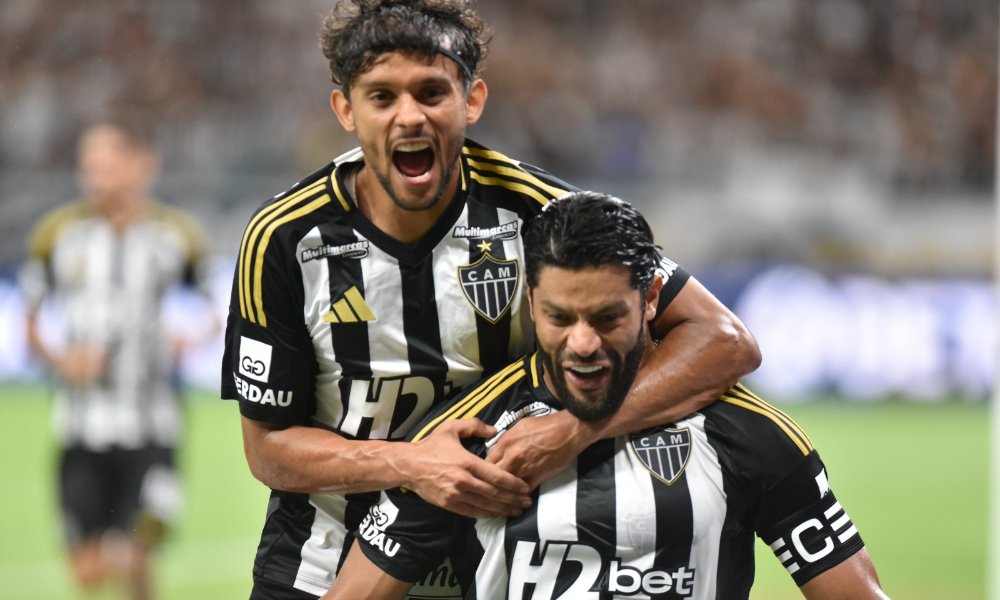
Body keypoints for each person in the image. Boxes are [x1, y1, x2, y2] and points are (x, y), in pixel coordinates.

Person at [220, 1, 760, 598]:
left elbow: (724, 340)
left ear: (471, 100)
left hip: (493, 570)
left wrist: (577, 428)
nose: (410, 118)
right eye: (381, 97)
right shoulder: (284, 239)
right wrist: (413, 463)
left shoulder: (540, 213)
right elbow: (269, 449)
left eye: (431, 93)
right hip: (318, 568)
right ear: (345, 109)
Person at [321, 191, 889, 600]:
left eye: (607, 316)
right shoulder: (466, 437)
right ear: (529, 304)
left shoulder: (748, 436)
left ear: (650, 300)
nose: (583, 344)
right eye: (559, 318)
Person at [19, 114, 214, 600]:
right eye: (88, 165)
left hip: (152, 430)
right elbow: (29, 322)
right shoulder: (58, 235)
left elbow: (221, 306)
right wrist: (62, 359)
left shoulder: (176, 235)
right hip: (80, 431)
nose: (93, 176)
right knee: (88, 571)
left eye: (105, 164)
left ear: (142, 165)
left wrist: (189, 338)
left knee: (136, 553)